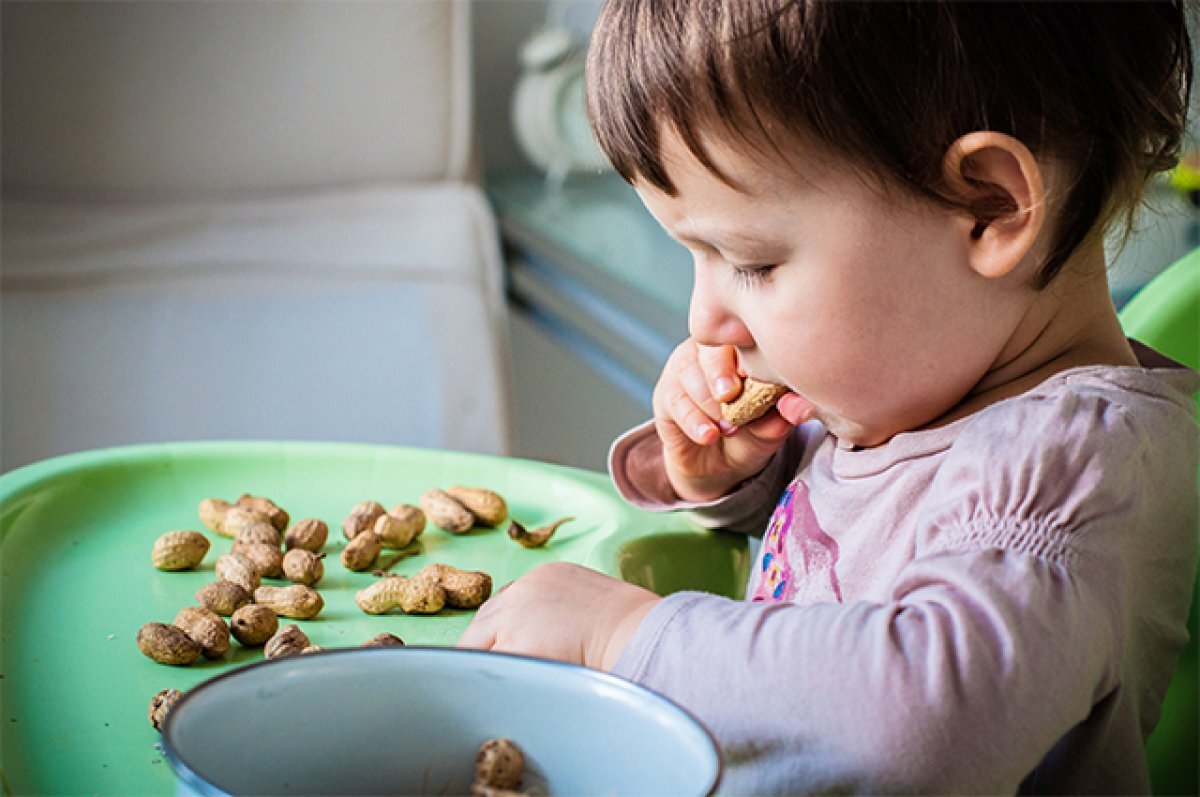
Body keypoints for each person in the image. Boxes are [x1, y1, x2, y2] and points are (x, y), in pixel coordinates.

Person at [459, 1, 1200, 792]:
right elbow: (846, 537)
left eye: (751, 262)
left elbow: (924, 713)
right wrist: (731, 477)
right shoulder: (909, 393)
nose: (702, 317)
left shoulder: (1074, 462)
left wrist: (620, 635)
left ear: (988, 207)